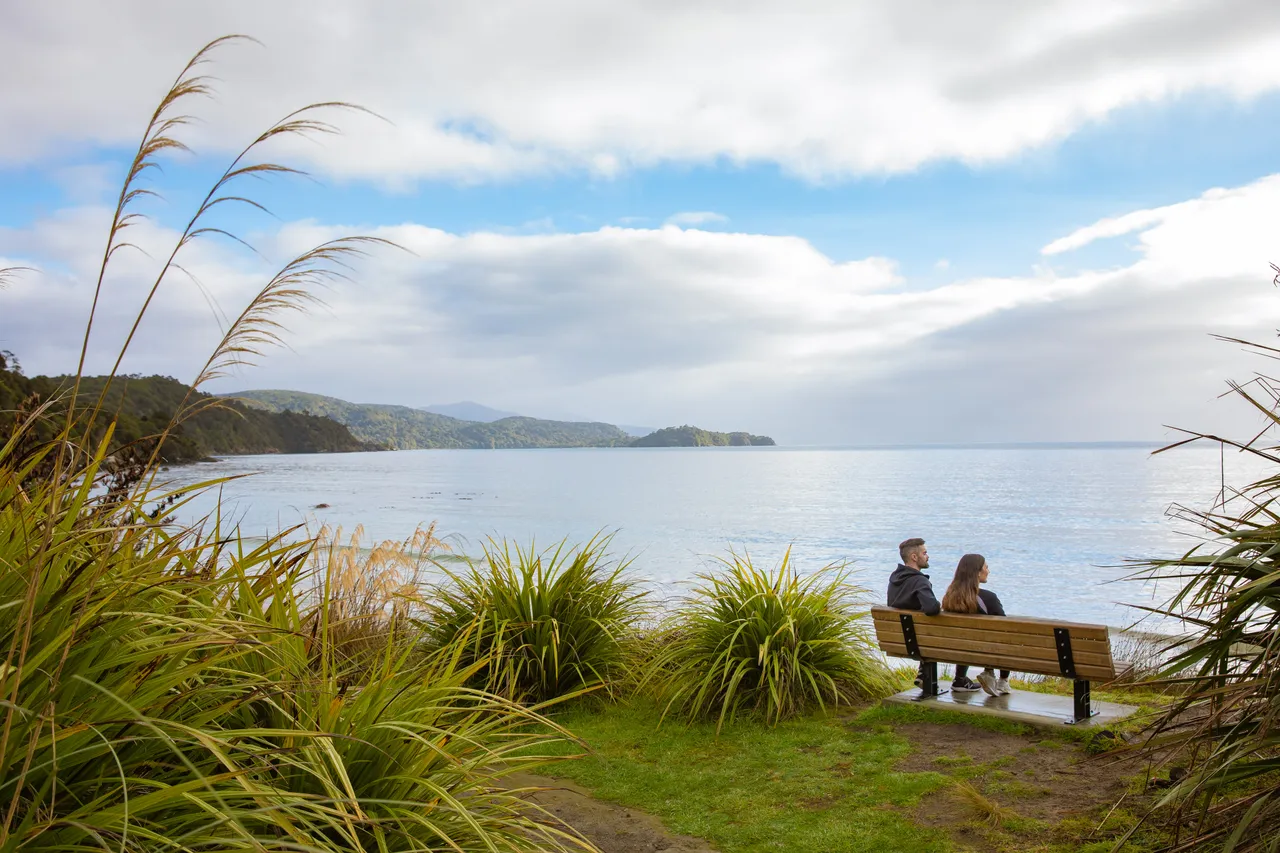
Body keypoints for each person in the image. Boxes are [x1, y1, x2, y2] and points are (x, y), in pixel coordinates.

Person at [941, 553, 1012, 696]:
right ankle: (1001, 680)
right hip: (982, 650)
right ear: (978, 572)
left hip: (955, 648)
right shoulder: (988, 598)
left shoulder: (949, 596)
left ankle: (960, 678)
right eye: (986, 567)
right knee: (1005, 637)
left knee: (966, 637)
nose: (988, 571)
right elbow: (1005, 628)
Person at [887, 537, 941, 687]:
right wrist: (938, 604)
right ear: (914, 557)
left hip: (898, 639)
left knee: (921, 631)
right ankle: (958, 679)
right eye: (925, 553)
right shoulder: (919, 581)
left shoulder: (894, 578)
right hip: (920, 641)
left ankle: (924, 673)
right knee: (934, 629)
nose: (927, 556)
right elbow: (931, 608)